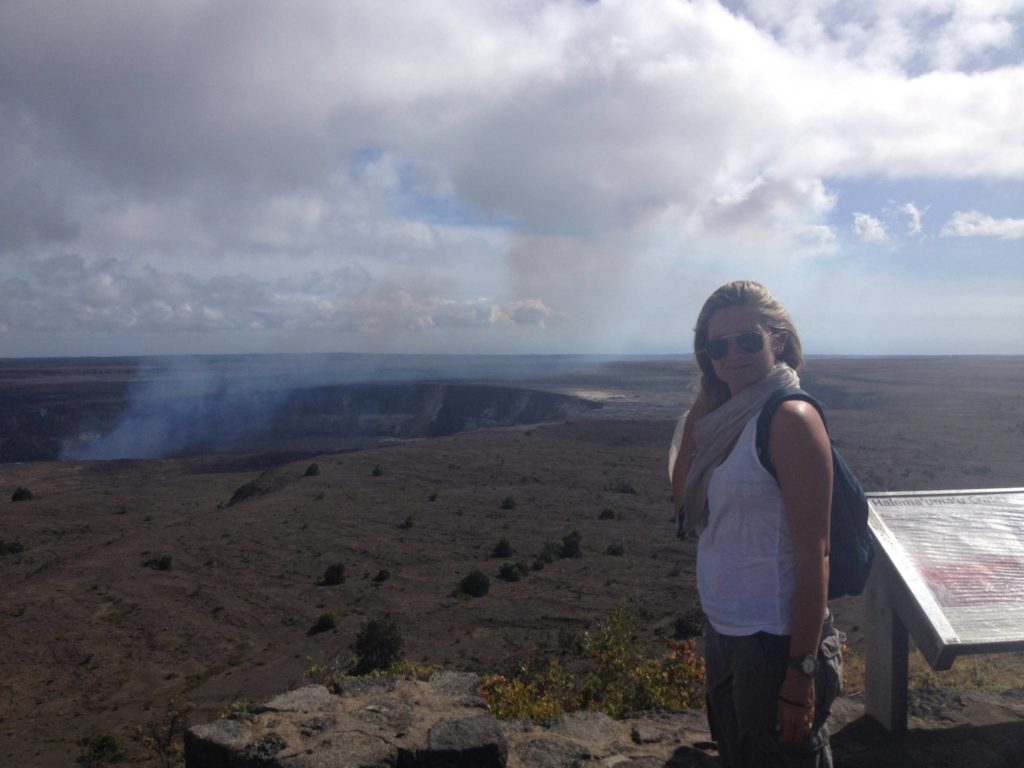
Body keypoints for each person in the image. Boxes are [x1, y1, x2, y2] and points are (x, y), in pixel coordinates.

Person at [668, 280, 844, 768]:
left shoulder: (789, 418)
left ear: (778, 340)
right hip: (728, 633)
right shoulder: (725, 419)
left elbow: (816, 554)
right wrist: (705, 404)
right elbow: (682, 502)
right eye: (716, 346)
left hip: (775, 641)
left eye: (748, 340)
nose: (733, 354)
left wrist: (801, 673)